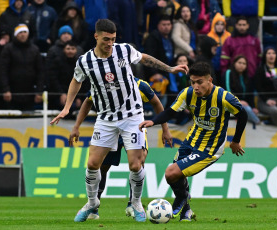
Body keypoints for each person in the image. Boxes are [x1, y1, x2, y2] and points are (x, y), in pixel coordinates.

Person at [50, 19, 188, 223]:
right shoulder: (85, 61)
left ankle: (137, 203)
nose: (110, 43)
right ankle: (92, 203)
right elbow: (76, 81)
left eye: (113, 39)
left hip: (132, 116)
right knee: (92, 164)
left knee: (135, 164)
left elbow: (146, 59)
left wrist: (170, 69)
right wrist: (68, 107)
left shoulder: (123, 50)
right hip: (105, 118)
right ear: (96, 36)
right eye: (106, 39)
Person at [139, 61, 248, 221]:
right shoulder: (187, 94)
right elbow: (171, 111)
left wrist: (235, 141)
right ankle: (186, 212)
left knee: (171, 173)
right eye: (193, 82)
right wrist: (153, 122)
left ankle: (183, 198)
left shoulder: (223, 97)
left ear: (209, 80)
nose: (196, 86)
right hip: (191, 140)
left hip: (210, 148)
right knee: (178, 175)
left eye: (200, 82)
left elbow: (243, 114)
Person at [69, 77, 173, 219]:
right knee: (101, 166)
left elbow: (157, 103)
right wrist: (76, 126)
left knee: (138, 162)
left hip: (133, 126)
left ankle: (133, 204)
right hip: (110, 127)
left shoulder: (140, 85)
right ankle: (94, 207)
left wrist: (165, 129)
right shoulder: (102, 84)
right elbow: (87, 102)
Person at [0, 24, 43, 110]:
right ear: (16, 35)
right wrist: (6, 89)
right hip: (12, 92)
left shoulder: (35, 49)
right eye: (20, 32)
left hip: (29, 92)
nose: (23, 34)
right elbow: (3, 70)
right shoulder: (8, 49)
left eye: (25, 32)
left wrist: (39, 92)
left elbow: (40, 72)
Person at [220, 16, 262, 80]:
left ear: (248, 26)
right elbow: (224, 60)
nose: (242, 27)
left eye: (244, 25)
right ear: (236, 25)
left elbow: (259, 58)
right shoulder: (229, 40)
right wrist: (225, 74)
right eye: (240, 25)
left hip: (252, 75)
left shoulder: (254, 40)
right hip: (235, 76)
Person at [223, 55, 260, 125]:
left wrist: (253, 107)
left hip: (243, 104)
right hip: (229, 103)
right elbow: (227, 91)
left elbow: (250, 95)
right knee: (247, 109)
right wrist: (238, 101)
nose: (241, 65)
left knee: (252, 110)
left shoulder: (247, 77)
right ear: (234, 63)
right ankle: (258, 122)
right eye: (239, 63)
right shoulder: (228, 73)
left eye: (244, 64)